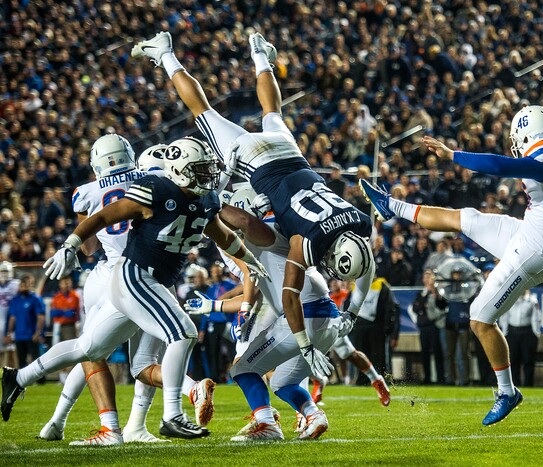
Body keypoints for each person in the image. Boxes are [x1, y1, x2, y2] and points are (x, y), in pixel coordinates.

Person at [132, 31, 374, 379]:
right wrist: (312, 341)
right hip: (256, 162)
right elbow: (290, 295)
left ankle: (261, 55)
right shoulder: (308, 241)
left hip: (291, 154)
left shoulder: (357, 223)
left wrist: (351, 311)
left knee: (271, 112)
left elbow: (367, 266)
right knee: (204, 112)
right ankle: (165, 53)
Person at [1, 136, 267, 442]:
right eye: (200, 169)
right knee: (183, 333)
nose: (207, 175)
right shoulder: (157, 189)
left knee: (89, 348)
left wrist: (248, 260)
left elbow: (223, 236)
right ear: (179, 170)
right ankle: (172, 416)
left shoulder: (205, 200)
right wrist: (70, 245)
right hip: (135, 276)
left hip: (143, 281)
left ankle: (18, 377)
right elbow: (102, 216)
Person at [361, 105, 543, 425]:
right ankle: (391, 205)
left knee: (480, 318)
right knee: (465, 218)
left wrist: (453, 154)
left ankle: (506, 391)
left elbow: (501, 166)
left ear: (528, 132)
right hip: (533, 235)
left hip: (535, 249)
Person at [185, 193, 375, 441]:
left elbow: (248, 232)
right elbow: (255, 292)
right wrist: (217, 306)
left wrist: (212, 205)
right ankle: (314, 415)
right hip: (327, 316)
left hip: (302, 315)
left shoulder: (260, 235)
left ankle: (266, 425)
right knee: (283, 383)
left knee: (242, 369)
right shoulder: (292, 229)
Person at [412, 269, 448, 384]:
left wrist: (434, 296)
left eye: (429, 277)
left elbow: (442, 306)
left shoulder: (438, 293)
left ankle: (440, 378)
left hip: (434, 326)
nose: (427, 279)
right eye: (425, 277)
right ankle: (427, 378)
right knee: (425, 353)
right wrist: (423, 304)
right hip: (424, 327)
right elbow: (415, 308)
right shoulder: (421, 294)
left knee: (438, 352)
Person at [500, 290, 541, 388]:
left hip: (527, 332)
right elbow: (504, 317)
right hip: (512, 332)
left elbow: (536, 318)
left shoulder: (532, 301)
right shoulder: (510, 300)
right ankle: (514, 385)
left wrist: (536, 334)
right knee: (513, 361)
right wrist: (505, 334)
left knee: (528, 360)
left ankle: (528, 384)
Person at [4, 275, 45, 370]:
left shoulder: (35, 299)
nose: (23, 288)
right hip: (19, 335)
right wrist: (9, 333)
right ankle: (25, 380)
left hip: (31, 335)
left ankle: (40, 381)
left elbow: (40, 317)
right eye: (22, 286)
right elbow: (12, 318)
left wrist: (38, 332)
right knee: (21, 360)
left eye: (25, 285)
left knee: (36, 359)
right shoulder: (15, 301)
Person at [0, 262, 20, 368]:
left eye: (6, 271)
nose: (4, 274)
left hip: (12, 320)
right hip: (1, 320)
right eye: (2, 271)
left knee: (12, 350)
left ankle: (14, 373)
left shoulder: (16, 284)